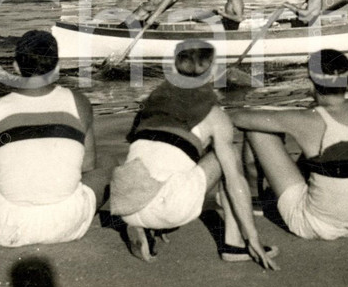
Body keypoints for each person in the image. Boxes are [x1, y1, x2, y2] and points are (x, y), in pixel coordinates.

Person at [109, 40, 279, 269]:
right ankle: (234, 243)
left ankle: (147, 224)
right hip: (167, 207)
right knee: (226, 158)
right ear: (212, 70)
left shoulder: (153, 101)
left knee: (169, 152)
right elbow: (235, 179)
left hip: (125, 203)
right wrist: (254, 237)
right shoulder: (214, 116)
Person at [0, 31, 114, 247]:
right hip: (70, 223)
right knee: (108, 161)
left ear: (15, 67)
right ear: (57, 67)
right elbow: (88, 167)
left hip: (6, 228)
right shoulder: (79, 102)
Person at [229, 49, 348, 241]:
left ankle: (256, 201)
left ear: (310, 84)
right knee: (326, 152)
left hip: (314, 224)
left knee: (257, 128)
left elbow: (238, 118)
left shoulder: (308, 119)